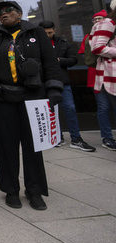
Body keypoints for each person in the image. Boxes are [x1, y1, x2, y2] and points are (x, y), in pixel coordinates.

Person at [0, 1, 63, 211]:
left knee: (33, 147)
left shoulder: (37, 34)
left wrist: (54, 89)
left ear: (20, 14)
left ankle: (34, 190)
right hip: (3, 100)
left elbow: (50, 62)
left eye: (8, 11)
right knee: (6, 148)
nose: (3, 15)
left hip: (32, 99)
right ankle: (11, 190)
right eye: (0, 13)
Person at [39, 20, 95, 152]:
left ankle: (76, 138)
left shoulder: (62, 42)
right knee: (51, 111)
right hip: (44, 82)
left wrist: (59, 60)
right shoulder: (35, 44)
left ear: (54, 30)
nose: (48, 35)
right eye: (45, 33)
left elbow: (73, 59)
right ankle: (56, 137)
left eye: (50, 32)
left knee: (69, 108)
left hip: (62, 82)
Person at [79, 10, 116, 150]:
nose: (97, 21)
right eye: (95, 19)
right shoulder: (91, 36)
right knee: (103, 107)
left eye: (100, 18)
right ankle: (107, 137)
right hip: (97, 75)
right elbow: (89, 56)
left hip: (108, 74)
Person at [90, 0, 116, 151]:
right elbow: (96, 48)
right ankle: (107, 137)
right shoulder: (108, 24)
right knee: (104, 107)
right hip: (109, 76)